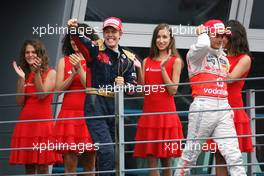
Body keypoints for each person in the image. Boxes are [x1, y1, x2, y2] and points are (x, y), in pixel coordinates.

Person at [174, 19, 247, 176]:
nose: (220, 39)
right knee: (190, 157)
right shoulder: (196, 54)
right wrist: (202, 34)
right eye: (216, 35)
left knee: (234, 156)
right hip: (203, 106)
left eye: (222, 35)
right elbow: (203, 46)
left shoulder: (224, 58)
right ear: (207, 35)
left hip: (224, 107)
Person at [68, 17, 138, 176]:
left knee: (112, 153)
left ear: (120, 34)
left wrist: (124, 85)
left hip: (115, 109)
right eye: (107, 31)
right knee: (107, 151)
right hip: (95, 106)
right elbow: (80, 41)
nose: (110, 35)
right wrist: (74, 29)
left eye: (114, 31)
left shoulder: (127, 59)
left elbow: (133, 87)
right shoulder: (95, 50)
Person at [133, 23, 184, 176]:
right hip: (149, 117)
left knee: (167, 161)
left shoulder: (175, 61)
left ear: (170, 39)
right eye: (158, 37)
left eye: (164, 37)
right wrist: (137, 69)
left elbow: (173, 90)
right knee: (151, 161)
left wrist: (162, 69)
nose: (161, 40)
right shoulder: (146, 61)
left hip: (166, 118)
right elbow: (142, 91)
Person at [9, 40, 61, 174]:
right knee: (29, 166)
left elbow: (42, 95)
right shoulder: (24, 74)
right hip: (26, 124)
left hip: (43, 124)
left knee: (43, 166)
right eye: (27, 52)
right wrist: (21, 79)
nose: (30, 55)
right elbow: (20, 102)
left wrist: (37, 73)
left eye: (33, 52)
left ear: (40, 54)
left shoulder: (51, 73)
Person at [53, 23, 99, 176]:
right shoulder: (63, 61)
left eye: (78, 37)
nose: (74, 41)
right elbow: (58, 90)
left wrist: (80, 70)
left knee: (89, 166)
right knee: (70, 167)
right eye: (72, 37)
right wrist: (72, 75)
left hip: (89, 115)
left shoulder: (95, 59)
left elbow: (92, 87)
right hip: (69, 117)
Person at [212, 20, 253, 176]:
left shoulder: (245, 58)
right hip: (216, 108)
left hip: (233, 110)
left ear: (234, 37)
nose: (221, 39)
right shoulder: (219, 55)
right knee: (218, 155)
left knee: (231, 157)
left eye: (225, 36)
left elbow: (230, 78)